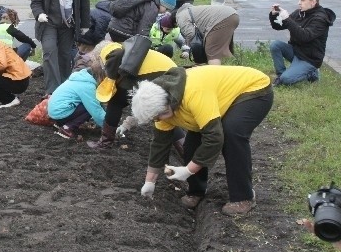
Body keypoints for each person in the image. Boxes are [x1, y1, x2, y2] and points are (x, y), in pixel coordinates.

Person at [131, 65, 273, 216]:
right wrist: (149, 182)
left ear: (168, 105)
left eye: (159, 116)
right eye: (155, 118)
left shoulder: (193, 94)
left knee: (231, 134)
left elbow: (214, 138)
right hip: (218, 99)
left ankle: (244, 197)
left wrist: (188, 170)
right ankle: (196, 191)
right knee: (192, 144)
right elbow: (159, 144)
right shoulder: (162, 106)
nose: (158, 120)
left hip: (252, 90)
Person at [90, 41, 177, 150]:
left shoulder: (110, 53)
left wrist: (111, 76)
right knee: (169, 115)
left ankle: (105, 142)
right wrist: (127, 124)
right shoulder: (129, 54)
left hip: (164, 75)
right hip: (173, 75)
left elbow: (121, 102)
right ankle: (184, 150)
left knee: (115, 102)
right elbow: (138, 104)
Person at [31, 0, 91, 95]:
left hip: (68, 24)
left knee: (65, 55)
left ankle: (64, 88)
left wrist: (85, 24)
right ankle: (52, 90)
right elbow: (35, 0)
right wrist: (39, 14)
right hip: (48, 22)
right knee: (49, 52)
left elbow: (84, 1)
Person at [269, 0, 335, 86]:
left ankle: (312, 74)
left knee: (287, 79)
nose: (299, 3)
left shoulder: (320, 19)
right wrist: (274, 15)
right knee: (275, 45)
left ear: (313, 2)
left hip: (309, 58)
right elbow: (279, 26)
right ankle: (281, 76)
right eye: (299, 0)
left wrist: (287, 19)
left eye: (302, 0)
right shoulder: (299, 13)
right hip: (296, 51)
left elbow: (304, 36)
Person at [48, 67, 106, 139]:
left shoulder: (79, 79)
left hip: (54, 112)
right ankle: (67, 127)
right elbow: (96, 110)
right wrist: (109, 128)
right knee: (89, 107)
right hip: (61, 113)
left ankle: (59, 123)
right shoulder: (87, 86)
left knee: (89, 104)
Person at [106, 0, 176, 43]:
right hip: (125, 31)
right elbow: (144, 29)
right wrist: (145, 44)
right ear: (163, 4)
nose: (165, 12)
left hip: (114, 25)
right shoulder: (153, 8)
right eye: (166, 9)